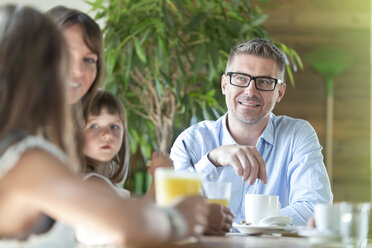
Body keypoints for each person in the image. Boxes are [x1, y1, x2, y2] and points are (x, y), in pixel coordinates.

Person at [0, 5, 207, 247]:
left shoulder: (35, 149)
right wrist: (179, 217)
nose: (75, 71)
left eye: (89, 60)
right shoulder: (25, 160)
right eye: (60, 57)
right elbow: (129, 225)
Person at [170, 38, 333, 226]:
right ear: (224, 84)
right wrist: (212, 159)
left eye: (264, 81)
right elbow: (172, 215)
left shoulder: (297, 135)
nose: (250, 90)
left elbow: (315, 206)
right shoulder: (191, 141)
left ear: (279, 92)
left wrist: (255, 228)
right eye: (240, 78)